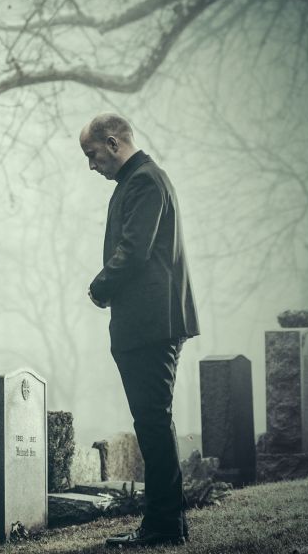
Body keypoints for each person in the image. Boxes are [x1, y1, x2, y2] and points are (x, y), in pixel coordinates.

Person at [80, 113, 199, 548]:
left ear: (113, 143)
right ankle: (168, 523)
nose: (91, 165)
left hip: (152, 324)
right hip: (150, 322)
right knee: (153, 423)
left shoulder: (146, 181)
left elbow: (134, 250)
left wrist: (99, 287)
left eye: (92, 154)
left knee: (151, 423)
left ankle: (164, 526)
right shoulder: (140, 181)